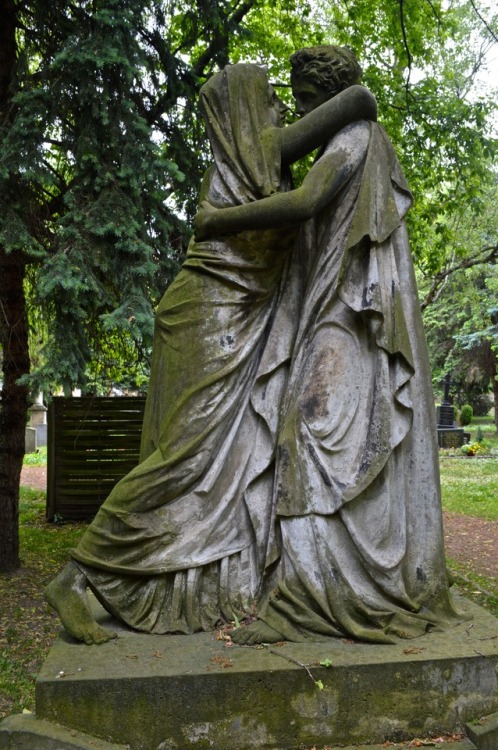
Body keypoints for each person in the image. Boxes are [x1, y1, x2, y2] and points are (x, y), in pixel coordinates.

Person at [44, 61, 377, 645]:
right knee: (182, 460)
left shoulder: (253, 162)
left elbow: (354, 110)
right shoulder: (261, 151)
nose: (284, 111)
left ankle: (187, 581)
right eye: (272, 99)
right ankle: (77, 576)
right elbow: (360, 100)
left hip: (231, 322)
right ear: (247, 110)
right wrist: (214, 222)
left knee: (216, 466)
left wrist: (213, 219)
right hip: (207, 319)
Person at [195, 46, 467, 645]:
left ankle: (308, 599)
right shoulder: (349, 139)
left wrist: (217, 221)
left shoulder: (355, 138)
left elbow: (303, 203)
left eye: (301, 98)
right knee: (313, 436)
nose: (296, 111)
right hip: (336, 313)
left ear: (323, 96)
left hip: (347, 317)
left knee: (307, 432)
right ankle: (315, 586)